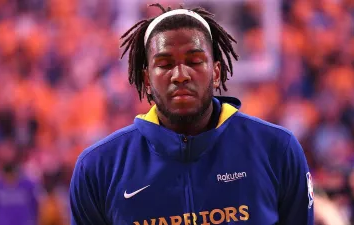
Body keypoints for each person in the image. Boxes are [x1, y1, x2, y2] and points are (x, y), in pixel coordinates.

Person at [69, 3, 314, 225]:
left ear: (216, 72)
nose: (180, 75)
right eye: (165, 64)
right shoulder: (99, 168)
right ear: (146, 79)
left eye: (195, 61)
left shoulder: (277, 149)